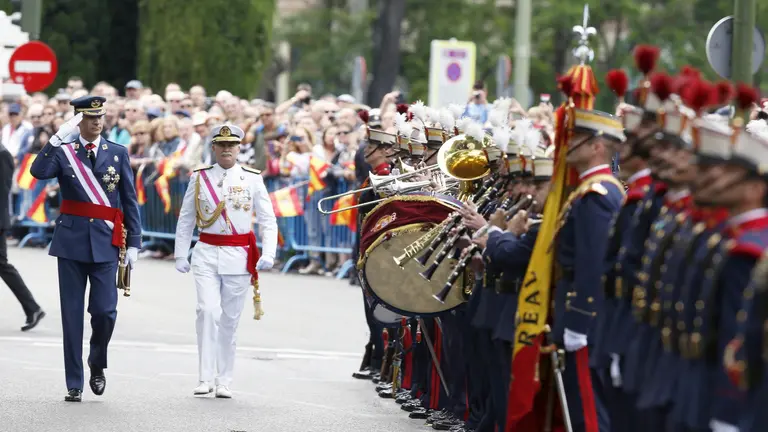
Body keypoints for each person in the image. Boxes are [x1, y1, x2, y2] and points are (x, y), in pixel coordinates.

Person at [29, 95, 141, 402]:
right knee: (72, 315)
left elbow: (129, 199)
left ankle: (96, 361)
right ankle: (74, 381)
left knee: (105, 312)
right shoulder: (65, 153)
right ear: (78, 120)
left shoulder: (116, 153)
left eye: (100, 116)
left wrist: (134, 243)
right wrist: (56, 138)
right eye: (90, 117)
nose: (96, 121)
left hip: (106, 242)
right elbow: (38, 172)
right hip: (71, 242)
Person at [173, 124, 278, 398]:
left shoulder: (252, 179)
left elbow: (267, 218)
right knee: (207, 312)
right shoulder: (199, 178)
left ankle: (224, 380)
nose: (227, 149)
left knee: (230, 320)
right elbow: (186, 218)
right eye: (222, 145)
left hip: (238, 255)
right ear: (214, 148)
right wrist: (180, 253)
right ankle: (205, 377)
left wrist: (269, 252)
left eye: (232, 145)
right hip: (207, 250)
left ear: (239, 148)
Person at [0, 142, 46, 331]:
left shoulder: (2, 154)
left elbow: (2, 192)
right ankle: (32, 308)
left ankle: (33, 307)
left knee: (2, 264)